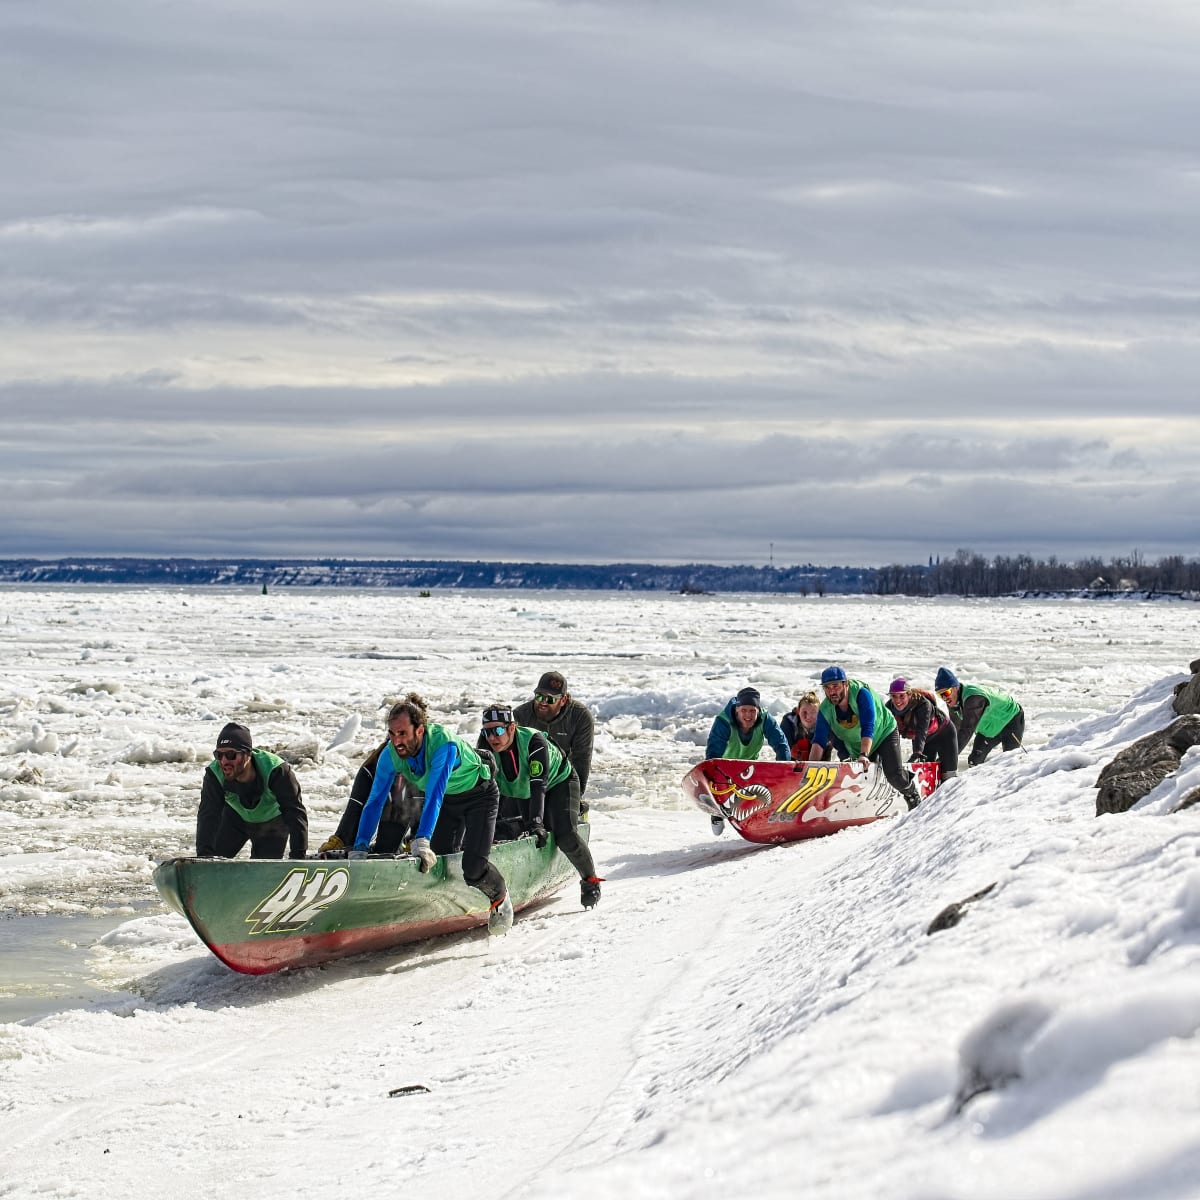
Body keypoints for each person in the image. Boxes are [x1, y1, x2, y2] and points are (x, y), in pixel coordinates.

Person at [353, 693, 513, 935]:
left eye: (403, 733)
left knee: (473, 868)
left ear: (419, 731)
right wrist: (360, 846)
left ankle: (500, 898)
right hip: (449, 800)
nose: (396, 741)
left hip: (479, 797)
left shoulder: (442, 745)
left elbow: (434, 795)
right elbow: (375, 801)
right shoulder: (390, 753)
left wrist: (422, 839)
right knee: (438, 864)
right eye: (392, 733)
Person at [477, 703, 602, 908]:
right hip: (520, 788)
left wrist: (536, 822)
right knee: (504, 831)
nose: (492, 737)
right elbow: (482, 787)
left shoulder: (534, 741)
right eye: (487, 731)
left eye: (498, 730)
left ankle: (590, 881)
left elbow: (539, 787)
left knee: (564, 834)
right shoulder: (485, 745)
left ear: (511, 728)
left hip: (557, 782)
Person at [809, 667, 921, 810]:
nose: (832, 691)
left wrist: (863, 755)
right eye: (827, 687)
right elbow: (819, 741)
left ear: (846, 684)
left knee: (894, 775)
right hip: (857, 743)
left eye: (836, 686)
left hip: (883, 732)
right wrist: (809, 767)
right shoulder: (825, 709)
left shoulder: (861, 694)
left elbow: (868, 726)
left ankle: (911, 792)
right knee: (862, 778)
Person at [196, 722, 308, 859]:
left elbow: (296, 815)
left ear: (247, 754)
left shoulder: (276, 770)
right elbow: (208, 816)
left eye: (231, 755)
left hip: (272, 825)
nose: (224, 761)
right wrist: (203, 860)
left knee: (264, 876)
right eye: (219, 755)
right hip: (234, 819)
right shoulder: (214, 773)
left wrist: (298, 858)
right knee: (211, 859)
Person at [705, 686, 791, 836]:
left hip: (749, 766)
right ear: (737, 710)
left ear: (758, 710)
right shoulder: (723, 721)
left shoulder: (765, 718)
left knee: (755, 798)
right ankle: (716, 813)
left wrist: (785, 771)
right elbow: (713, 754)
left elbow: (781, 744)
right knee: (723, 805)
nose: (748, 715)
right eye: (744, 710)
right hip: (724, 768)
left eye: (752, 711)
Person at [317, 740, 423, 855]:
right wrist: (341, 838)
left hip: (405, 814)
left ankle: (405, 842)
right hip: (384, 809)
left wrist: (416, 841)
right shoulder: (369, 769)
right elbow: (354, 808)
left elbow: (421, 811)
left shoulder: (418, 770)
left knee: (386, 850)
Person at [514, 671, 595, 815]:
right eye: (539, 697)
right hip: (530, 775)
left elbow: (581, 759)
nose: (542, 702)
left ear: (563, 700)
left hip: (562, 777)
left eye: (550, 699)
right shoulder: (521, 715)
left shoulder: (580, 716)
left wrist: (576, 797)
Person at [934, 668, 1025, 767]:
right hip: (989, 729)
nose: (944, 698)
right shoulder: (952, 702)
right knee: (974, 760)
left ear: (956, 687)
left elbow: (966, 731)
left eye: (946, 693)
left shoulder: (974, 699)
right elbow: (955, 731)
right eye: (940, 695)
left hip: (1010, 721)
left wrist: (948, 757)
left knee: (1009, 761)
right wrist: (942, 756)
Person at [886, 677, 959, 784]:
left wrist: (917, 753)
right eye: (894, 696)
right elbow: (886, 733)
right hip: (924, 741)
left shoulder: (923, 705)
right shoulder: (888, 708)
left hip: (944, 735)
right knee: (925, 778)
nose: (897, 700)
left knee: (948, 777)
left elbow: (921, 730)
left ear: (909, 694)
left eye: (902, 695)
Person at [780, 690, 821, 762]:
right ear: (798, 711)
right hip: (792, 762)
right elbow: (782, 750)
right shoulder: (789, 722)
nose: (808, 716)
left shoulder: (824, 724)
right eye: (804, 712)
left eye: (813, 712)